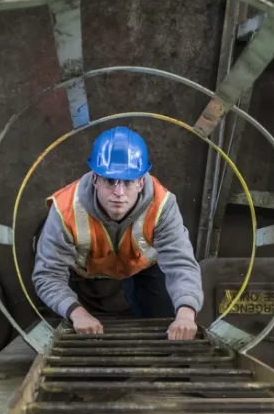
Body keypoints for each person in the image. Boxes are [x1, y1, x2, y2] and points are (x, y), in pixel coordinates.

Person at [32, 126, 203, 340]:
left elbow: (181, 263)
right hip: (82, 274)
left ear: (141, 181)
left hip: (142, 268)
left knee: (165, 322)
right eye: (110, 181)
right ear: (95, 179)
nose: (119, 193)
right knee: (66, 328)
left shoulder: (162, 205)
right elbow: (48, 275)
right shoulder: (65, 208)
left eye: (129, 181)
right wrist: (77, 313)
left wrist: (186, 314)